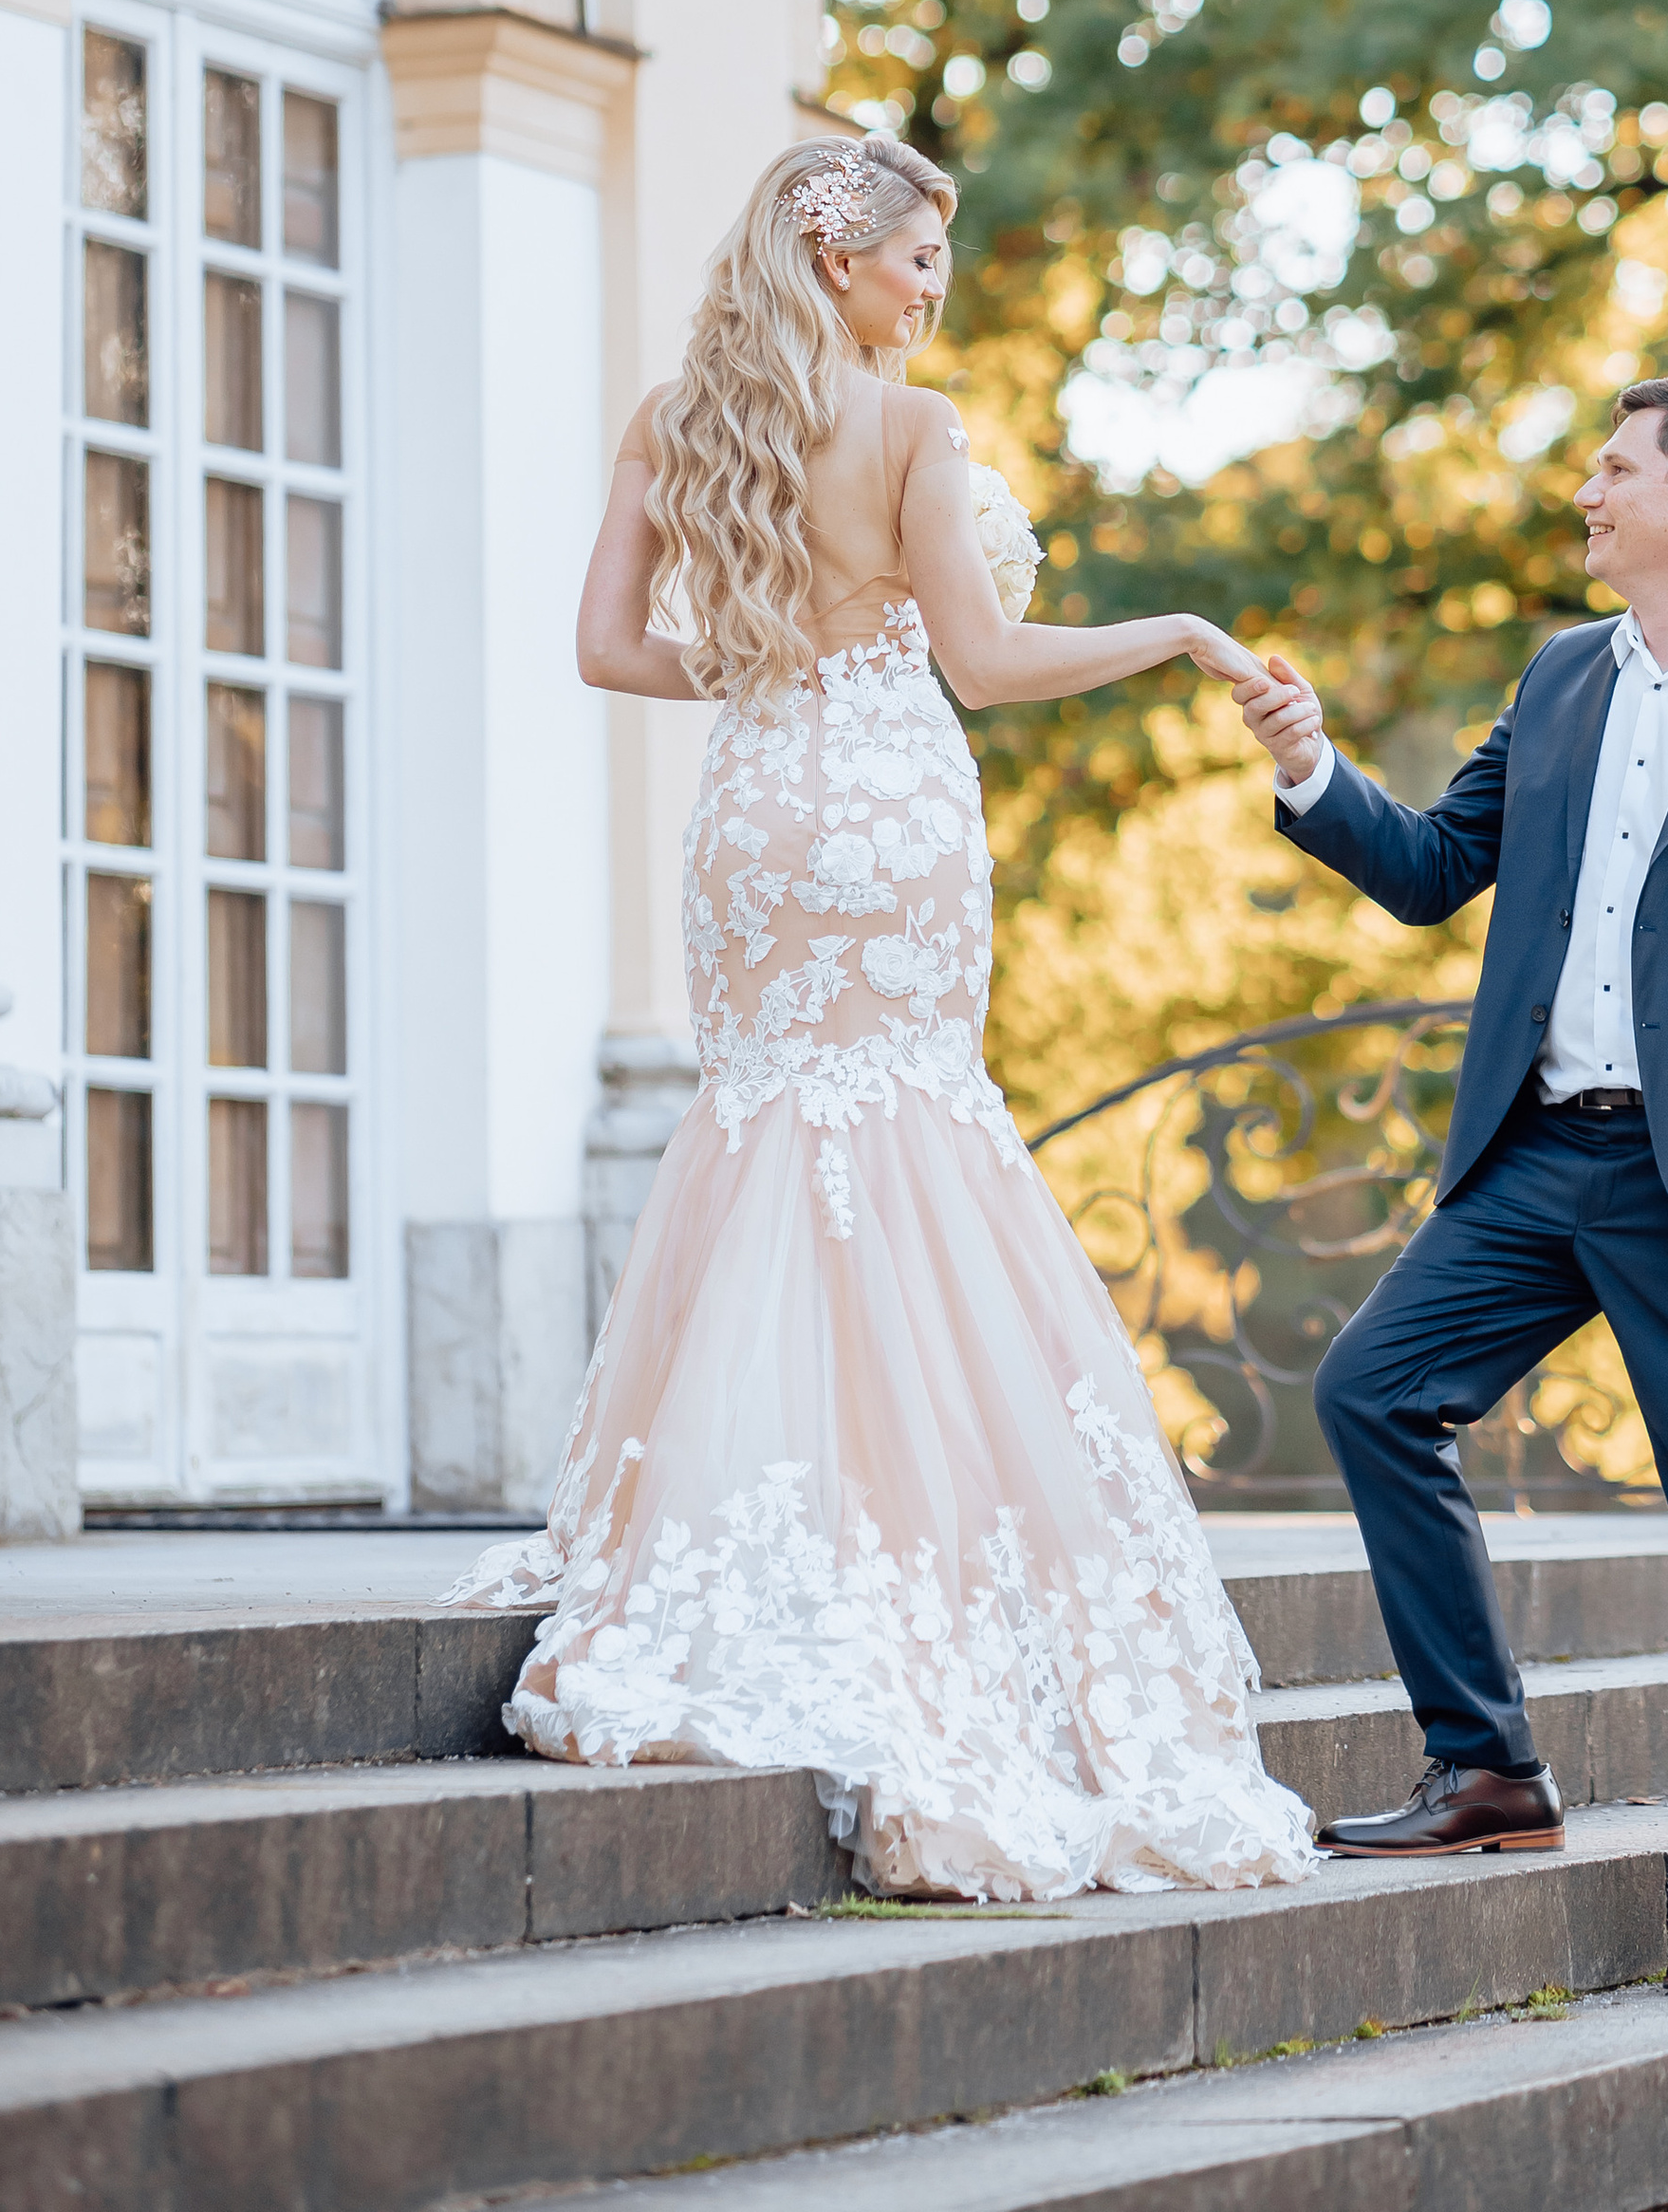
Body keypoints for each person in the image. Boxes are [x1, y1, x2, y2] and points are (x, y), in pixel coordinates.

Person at [448, 133, 1317, 1904]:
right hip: (892, 810)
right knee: (909, 1131)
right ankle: (911, 1540)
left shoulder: (673, 416)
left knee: (770, 1124)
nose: (933, 289)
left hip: (756, 815)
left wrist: (767, 666)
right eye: (917, 259)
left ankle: (723, 1531)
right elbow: (985, 665)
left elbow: (610, 651)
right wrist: (1174, 630)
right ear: (834, 260)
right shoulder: (914, 433)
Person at [1232, 372, 1668, 1992]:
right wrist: (1308, 769)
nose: (1587, 490)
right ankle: (1487, 1769)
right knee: (1374, 1391)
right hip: (1543, 1151)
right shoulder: (1562, 679)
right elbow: (1428, 871)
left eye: (1614, 468)